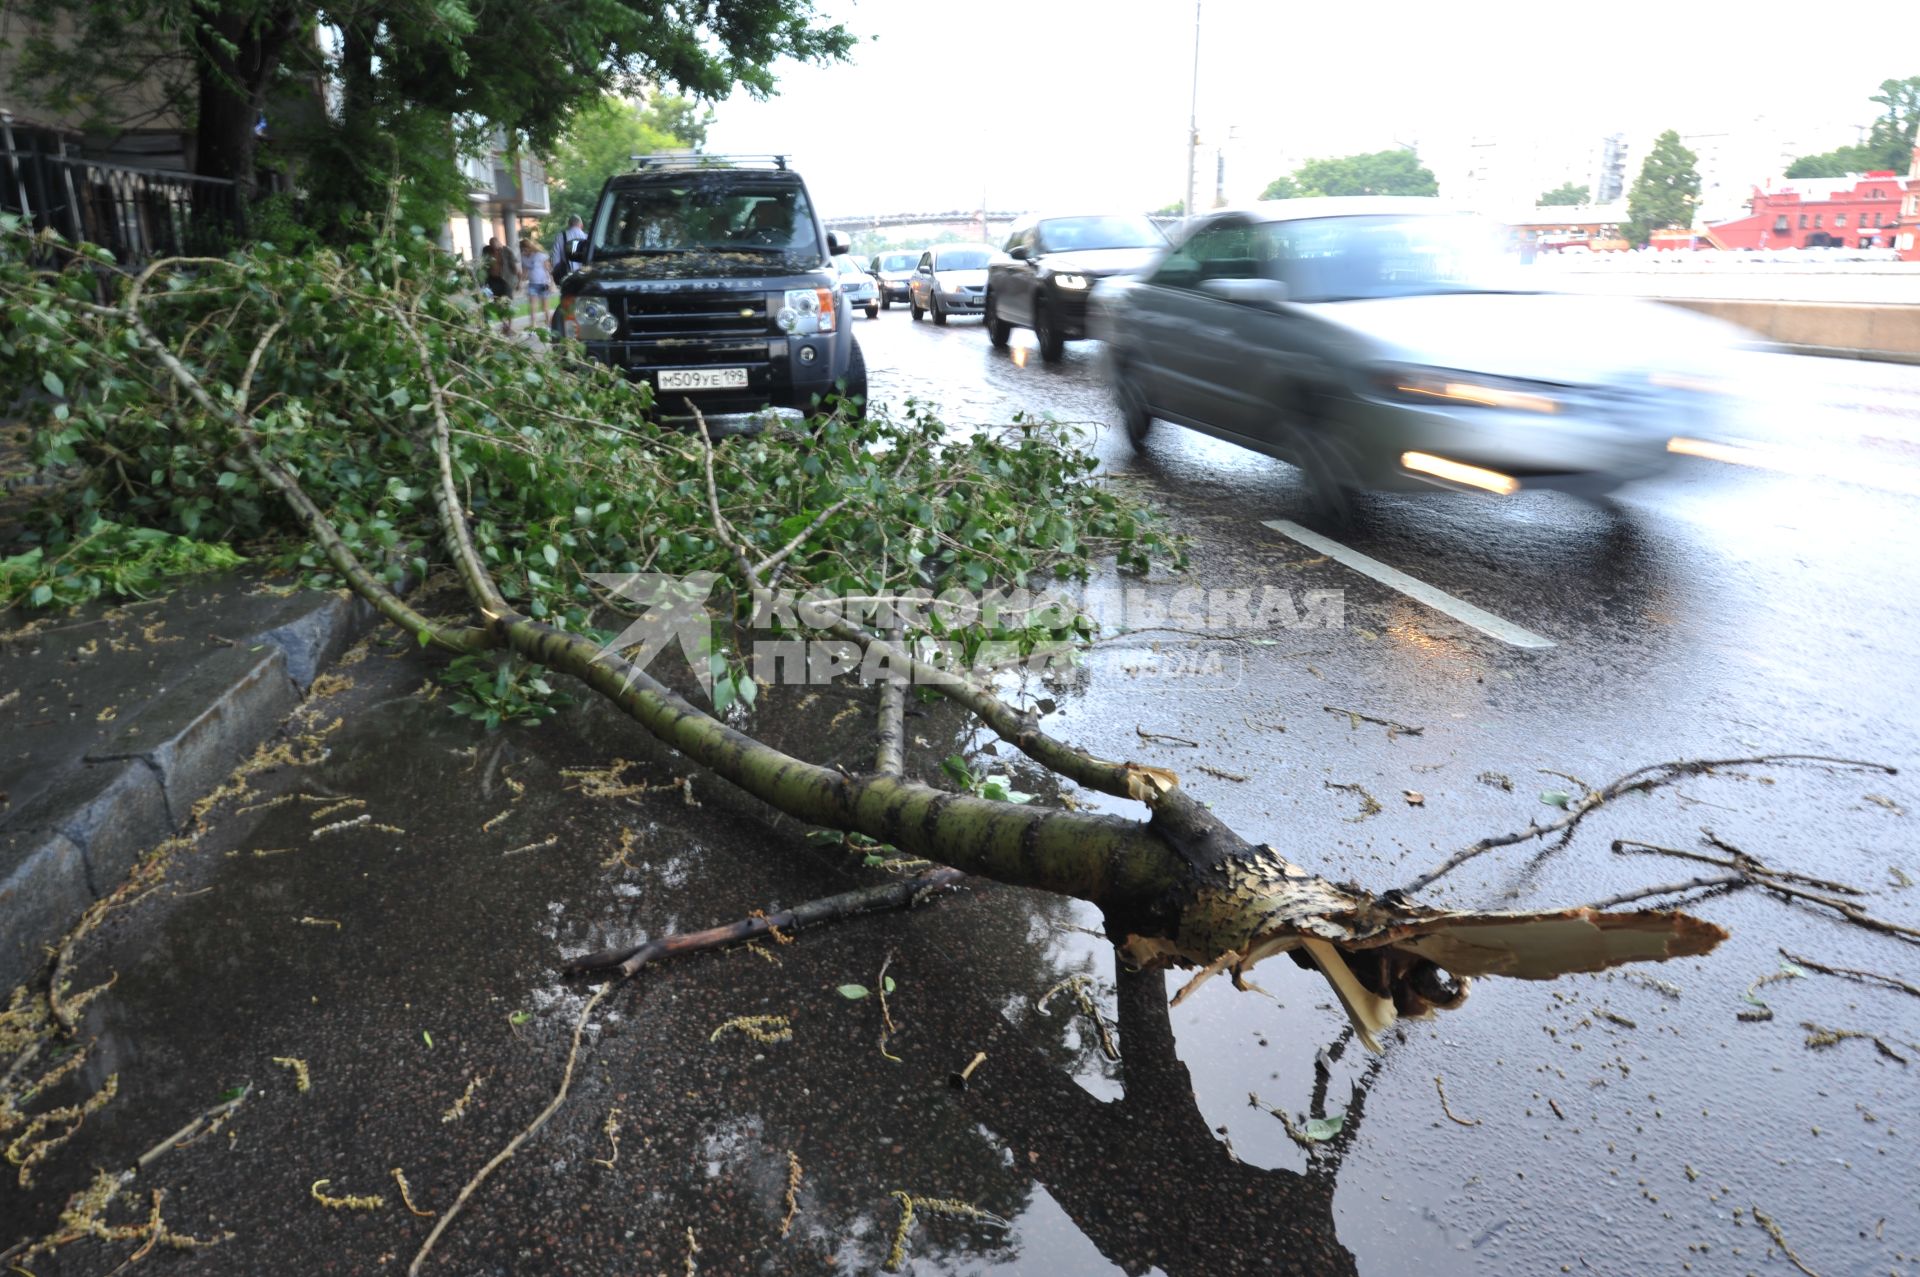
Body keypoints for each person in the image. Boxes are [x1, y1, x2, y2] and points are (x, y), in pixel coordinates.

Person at [520, 237, 553, 327]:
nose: (524, 252)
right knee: (532, 306)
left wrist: (551, 284)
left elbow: (548, 269)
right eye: (522, 250)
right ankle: (533, 325)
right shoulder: (523, 257)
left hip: (543, 283)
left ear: (529, 247)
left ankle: (549, 323)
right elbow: (525, 271)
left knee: (545, 306)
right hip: (532, 284)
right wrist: (520, 282)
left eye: (525, 249)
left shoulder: (540, 255)